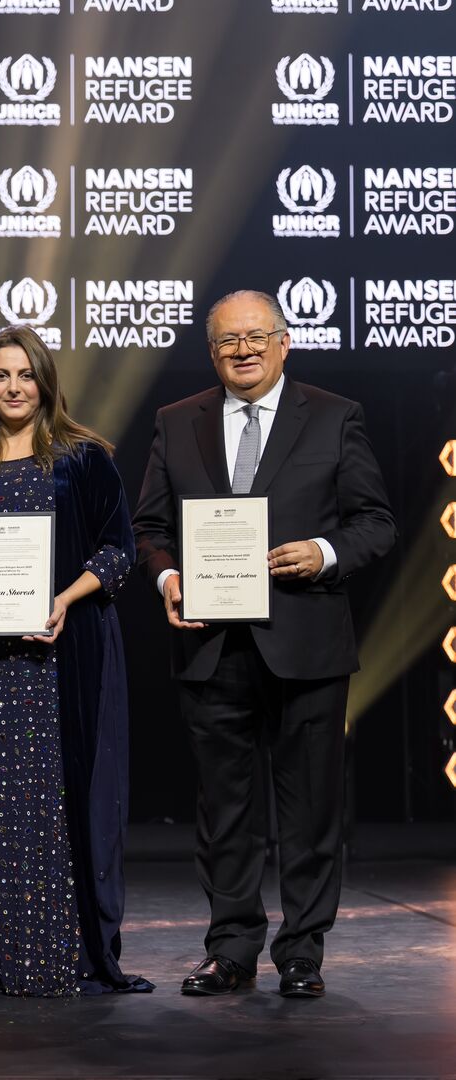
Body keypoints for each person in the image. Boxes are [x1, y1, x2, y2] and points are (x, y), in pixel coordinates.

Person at [132, 290, 396, 998]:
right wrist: (168, 580)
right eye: (228, 341)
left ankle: (302, 952)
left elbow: (375, 524)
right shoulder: (177, 421)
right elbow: (149, 529)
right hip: (211, 645)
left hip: (307, 645)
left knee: (311, 810)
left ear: (285, 342)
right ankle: (231, 949)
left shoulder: (335, 416)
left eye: (256, 336)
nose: (243, 350)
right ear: (211, 352)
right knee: (225, 814)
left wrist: (323, 552)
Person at [0, 325, 151, 997]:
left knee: (60, 806)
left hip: (59, 660)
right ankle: (0, 961)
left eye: (26, 375)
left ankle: (68, 957)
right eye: (1, 375)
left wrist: (64, 600)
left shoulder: (83, 459)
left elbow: (118, 552)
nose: (14, 387)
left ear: (46, 383)